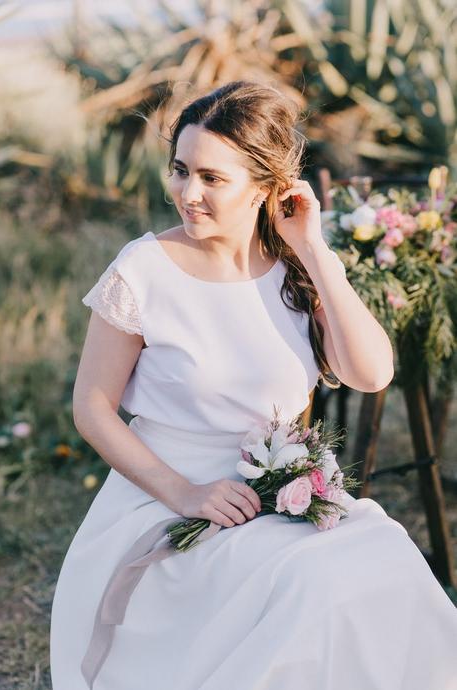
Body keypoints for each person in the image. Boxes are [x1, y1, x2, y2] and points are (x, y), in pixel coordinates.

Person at [50, 80, 457, 690]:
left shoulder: (296, 266)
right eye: (181, 170)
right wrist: (186, 494)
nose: (189, 194)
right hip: (165, 500)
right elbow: (93, 408)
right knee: (310, 587)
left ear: (268, 187)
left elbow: (371, 374)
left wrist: (314, 250)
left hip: (278, 494)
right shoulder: (142, 270)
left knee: (389, 561)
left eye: (214, 178)